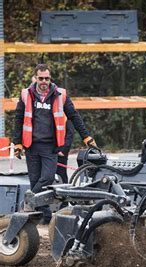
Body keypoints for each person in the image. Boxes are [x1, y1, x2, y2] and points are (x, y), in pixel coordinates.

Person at [13, 63, 96, 224]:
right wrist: (17, 143)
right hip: (31, 146)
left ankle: (26, 204)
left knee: (48, 178)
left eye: (47, 78)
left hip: (50, 146)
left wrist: (86, 137)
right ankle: (46, 217)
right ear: (36, 78)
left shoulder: (60, 95)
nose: (44, 81)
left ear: (50, 78)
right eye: (41, 78)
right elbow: (18, 118)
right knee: (36, 182)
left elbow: (74, 116)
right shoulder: (25, 94)